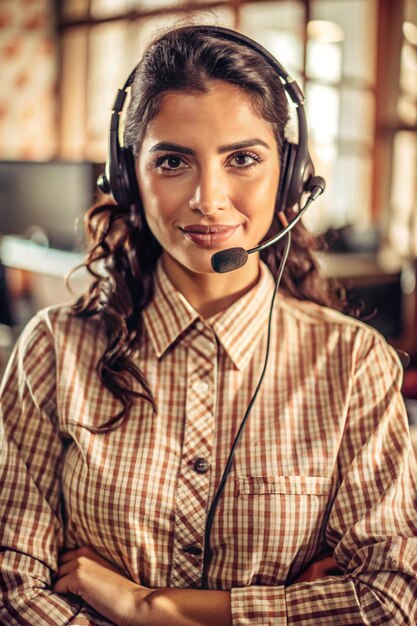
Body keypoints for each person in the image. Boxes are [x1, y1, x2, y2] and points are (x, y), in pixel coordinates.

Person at [1, 24, 416, 626]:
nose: (209, 199)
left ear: (290, 176)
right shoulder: (54, 350)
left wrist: (148, 607)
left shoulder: (353, 364)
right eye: (172, 161)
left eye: (242, 158)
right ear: (127, 178)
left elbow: (388, 601)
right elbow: (14, 587)